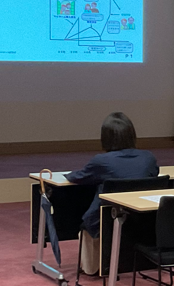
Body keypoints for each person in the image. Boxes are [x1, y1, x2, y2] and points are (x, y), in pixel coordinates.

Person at [65, 112, 158, 274]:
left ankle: (93, 268)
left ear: (105, 138)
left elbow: (77, 177)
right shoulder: (148, 158)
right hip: (143, 222)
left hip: (105, 222)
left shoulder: (102, 161)